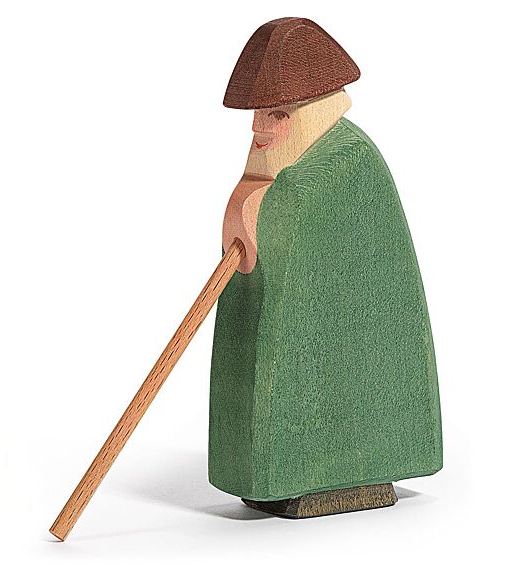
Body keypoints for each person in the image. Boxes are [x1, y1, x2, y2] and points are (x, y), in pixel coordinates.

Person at [209, 17, 442, 518]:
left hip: (354, 354)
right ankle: (271, 471)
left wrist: (263, 209)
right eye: (258, 115)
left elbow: (293, 203)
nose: (260, 128)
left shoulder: (350, 160)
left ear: (314, 110)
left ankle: (343, 467)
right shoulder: (291, 161)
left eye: (277, 114)